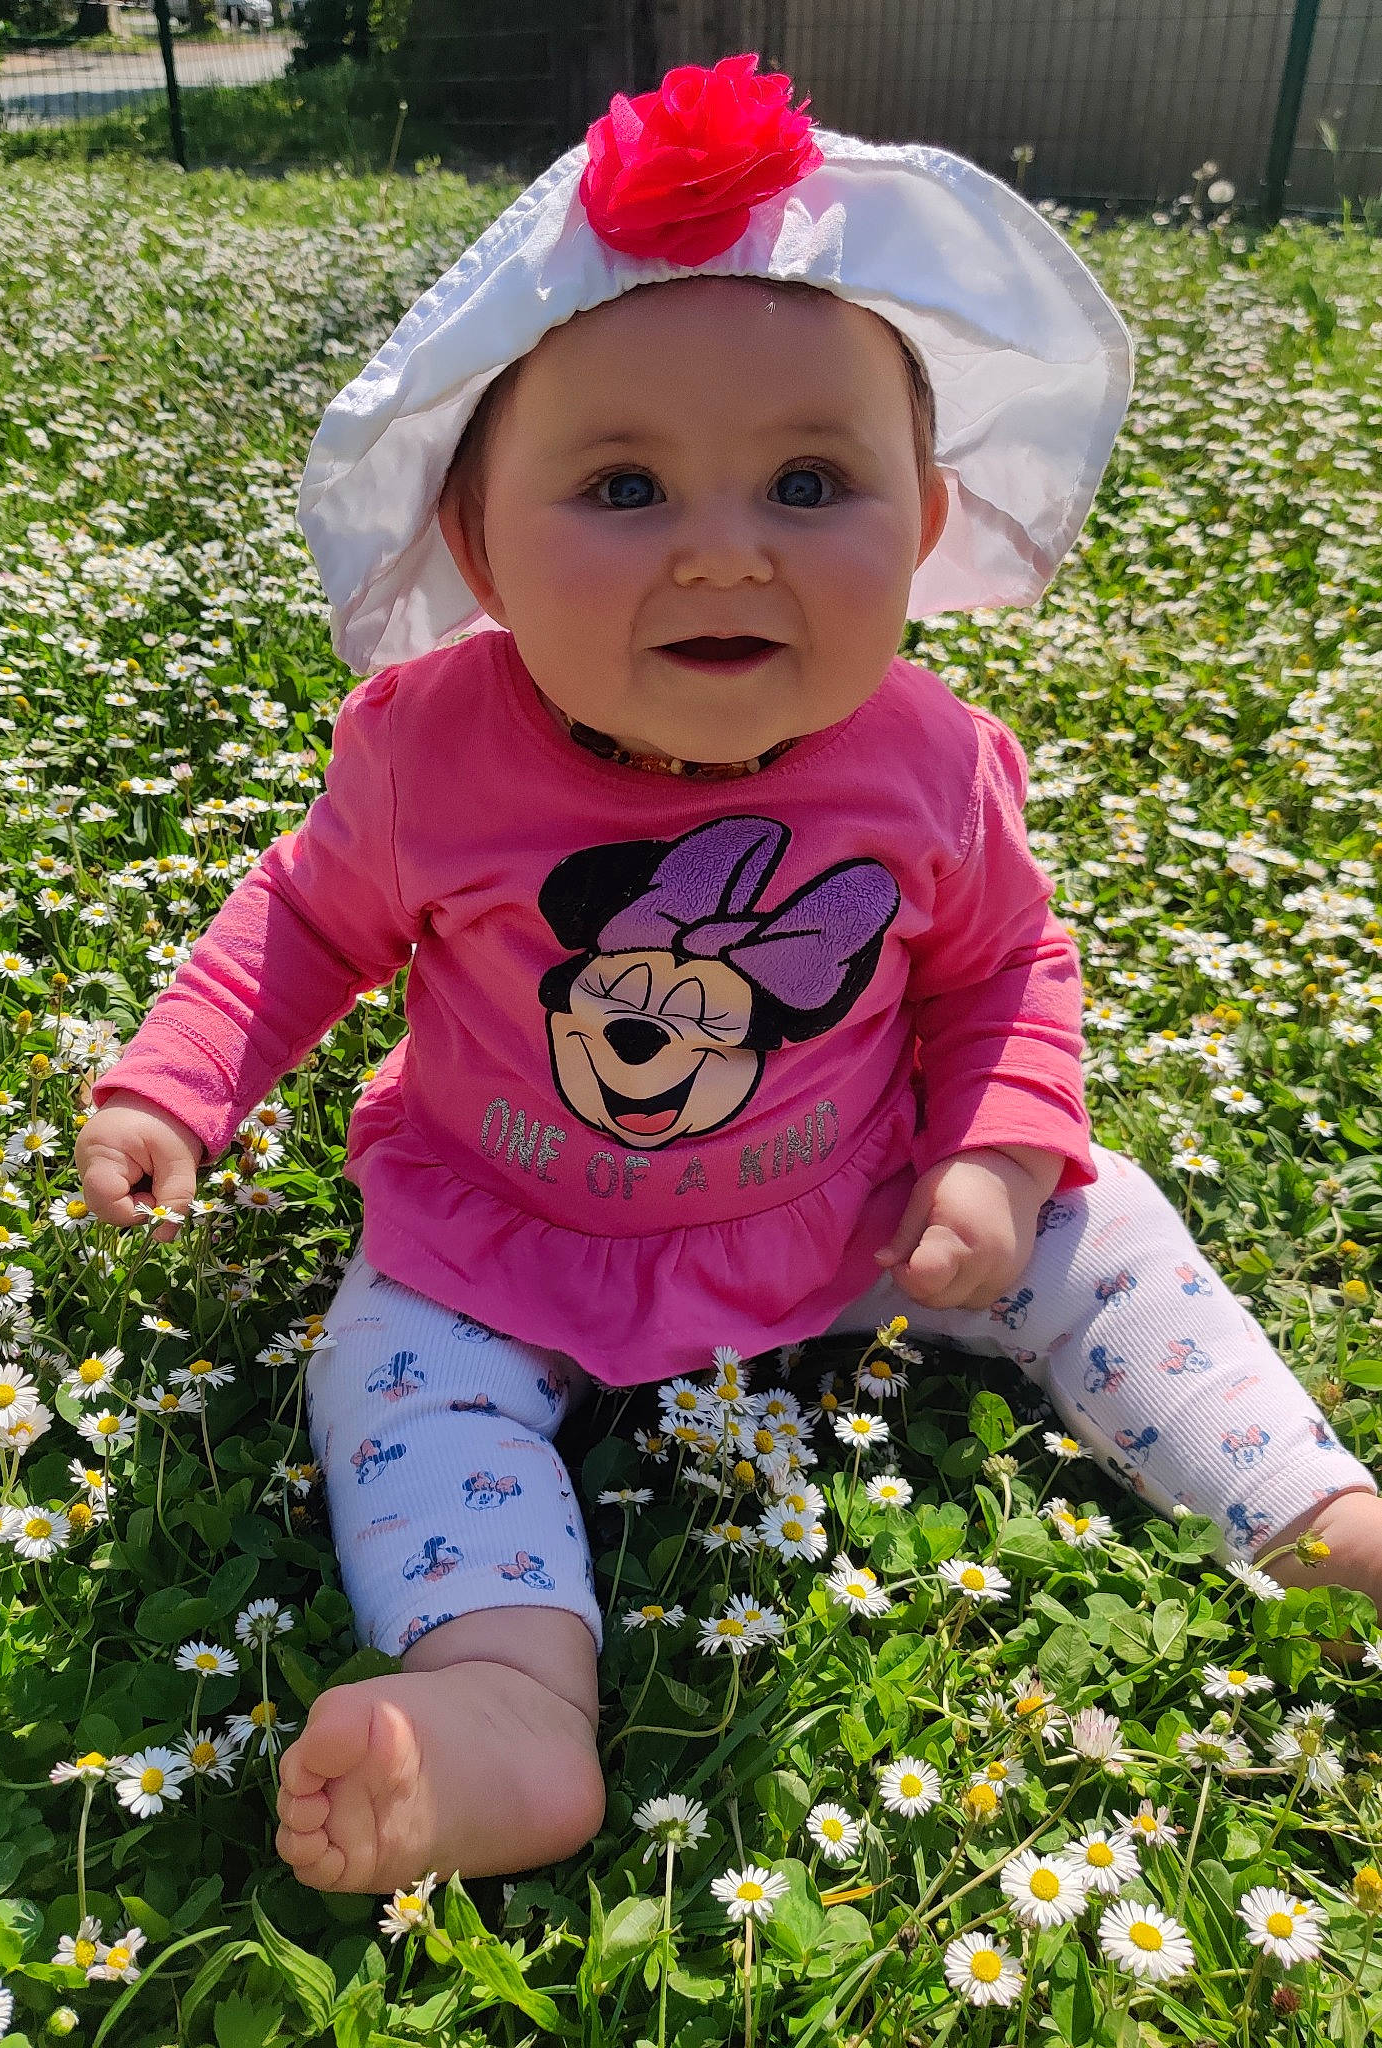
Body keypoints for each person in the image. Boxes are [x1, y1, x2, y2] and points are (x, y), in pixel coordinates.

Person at [74, 52, 1381, 1895]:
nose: (719, 546)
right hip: (506, 1233)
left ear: (918, 528)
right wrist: (172, 1083)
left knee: (1107, 1229)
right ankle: (507, 1696)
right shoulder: (428, 755)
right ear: (474, 543)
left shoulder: (929, 761)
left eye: (805, 480)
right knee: (394, 1375)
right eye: (619, 485)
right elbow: (302, 919)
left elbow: (1006, 967)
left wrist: (995, 1160)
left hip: (850, 1209)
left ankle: (1307, 1509)